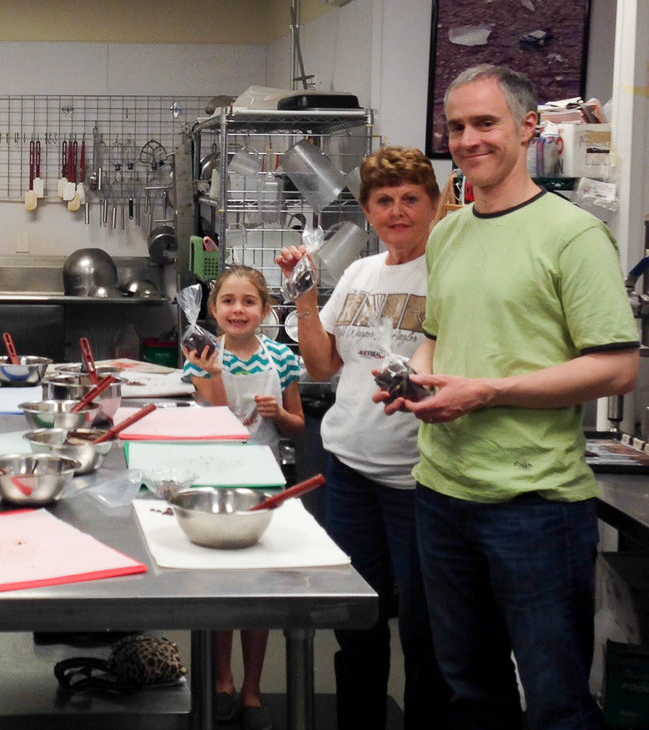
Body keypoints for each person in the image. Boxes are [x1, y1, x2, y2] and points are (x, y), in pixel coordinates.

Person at [380, 64, 639, 730]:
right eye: (458, 126)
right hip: (441, 494)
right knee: (471, 693)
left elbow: (616, 367)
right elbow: (436, 337)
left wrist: (489, 391)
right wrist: (414, 378)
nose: (468, 139)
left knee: (556, 703)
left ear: (527, 128)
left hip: (535, 508)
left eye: (485, 123)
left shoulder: (573, 235)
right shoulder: (448, 232)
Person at [275, 146, 451, 730]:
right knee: (357, 621)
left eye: (409, 199)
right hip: (348, 467)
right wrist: (304, 294)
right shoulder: (358, 273)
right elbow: (322, 365)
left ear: (433, 203)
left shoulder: (451, 272)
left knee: (426, 632)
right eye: (383, 201)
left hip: (416, 479)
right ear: (369, 211)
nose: (396, 212)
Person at [182, 265, 305, 730]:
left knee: (260, 589)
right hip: (214, 480)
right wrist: (209, 376)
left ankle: (253, 689)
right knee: (219, 588)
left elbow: (297, 425)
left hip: (265, 481)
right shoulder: (200, 356)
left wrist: (278, 415)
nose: (238, 309)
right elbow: (216, 424)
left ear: (265, 310)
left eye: (248, 301)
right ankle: (223, 680)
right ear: (213, 310)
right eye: (228, 301)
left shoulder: (283, 358)